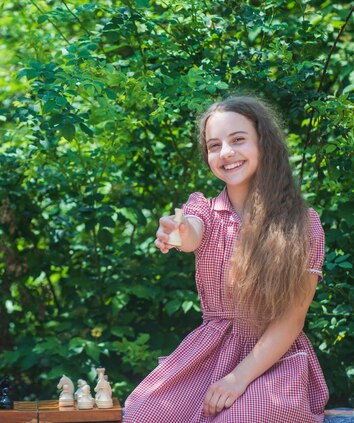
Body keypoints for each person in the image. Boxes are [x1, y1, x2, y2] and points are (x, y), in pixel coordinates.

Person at [123, 96, 328, 422]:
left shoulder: (303, 223)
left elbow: (292, 318)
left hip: (273, 360)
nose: (226, 153)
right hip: (208, 354)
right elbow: (190, 232)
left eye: (238, 140)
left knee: (244, 416)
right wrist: (176, 230)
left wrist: (239, 378)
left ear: (265, 143)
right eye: (214, 145)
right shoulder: (203, 209)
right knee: (143, 412)